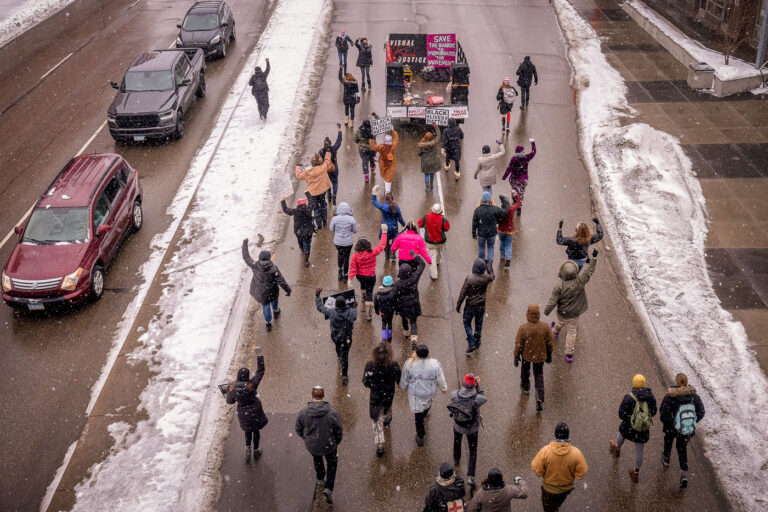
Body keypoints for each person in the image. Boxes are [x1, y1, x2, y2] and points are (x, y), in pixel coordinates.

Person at [543, 250, 598, 363]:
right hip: (575, 313)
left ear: (562, 272)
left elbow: (553, 301)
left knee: (560, 322)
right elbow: (589, 271)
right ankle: (569, 353)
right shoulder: (580, 281)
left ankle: (555, 331)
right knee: (572, 332)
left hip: (562, 312)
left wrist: (546, 311)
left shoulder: (559, 285)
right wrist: (594, 259)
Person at [295, 386, 343, 504]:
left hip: (313, 445)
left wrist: (306, 438)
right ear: (323, 396)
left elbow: (298, 428)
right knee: (332, 463)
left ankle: (320, 477)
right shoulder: (332, 413)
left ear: (312, 397)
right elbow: (339, 431)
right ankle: (329, 487)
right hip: (329, 445)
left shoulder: (303, 413)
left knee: (317, 459)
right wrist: (336, 442)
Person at [659, 373, 705, 489]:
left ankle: (666, 458)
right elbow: (701, 412)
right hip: (686, 429)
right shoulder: (694, 397)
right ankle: (684, 474)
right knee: (682, 449)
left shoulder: (670, 396)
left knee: (668, 442)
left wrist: (671, 423)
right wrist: (692, 422)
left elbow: (663, 414)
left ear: (676, 382)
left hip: (671, 428)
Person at [609, 374, 657, 483]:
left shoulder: (629, 397)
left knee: (621, 433)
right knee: (639, 450)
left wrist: (630, 419)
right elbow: (653, 412)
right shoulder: (651, 397)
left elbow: (621, 414)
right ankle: (635, 472)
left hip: (629, 426)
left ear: (633, 384)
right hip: (642, 429)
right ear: (644, 384)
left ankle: (617, 449)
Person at [531, 423, 588, 512]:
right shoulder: (576, 453)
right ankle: (556, 506)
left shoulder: (545, 451)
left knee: (548, 508)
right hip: (565, 489)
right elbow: (581, 473)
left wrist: (542, 473)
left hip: (548, 489)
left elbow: (536, 468)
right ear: (568, 435)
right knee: (558, 502)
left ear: (555, 434)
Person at [399, 344, 447, 446]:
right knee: (427, 403)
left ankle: (420, 436)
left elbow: (404, 378)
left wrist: (403, 387)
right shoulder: (435, 364)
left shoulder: (409, 364)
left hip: (416, 394)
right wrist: (443, 388)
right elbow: (440, 377)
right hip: (429, 391)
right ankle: (425, 410)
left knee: (418, 415)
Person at [226, 349, 268, 461]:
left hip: (243, 414)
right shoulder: (252, 385)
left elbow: (229, 401)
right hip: (255, 411)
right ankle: (256, 451)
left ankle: (248, 451)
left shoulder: (232, 387)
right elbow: (260, 371)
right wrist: (259, 355)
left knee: (247, 431)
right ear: (247, 376)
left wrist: (229, 394)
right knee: (256, 431)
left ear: (238, 376)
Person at [241, 241, 291, 332]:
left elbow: (246, 257)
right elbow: (281, 281)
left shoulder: (255, 266)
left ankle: (268, 323)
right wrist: (288, 290)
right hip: (272, 291)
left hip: (261, 293)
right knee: (274, 301)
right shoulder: (273, 269)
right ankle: (276, 312)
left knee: (266, 307)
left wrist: (244, 245)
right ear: (269, 259)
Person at [362, 342, 401, 456]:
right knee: (388, 408)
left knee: (376, 419)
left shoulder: (370, 365)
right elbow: (399, 379)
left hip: (375, 397)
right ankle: (387, 418)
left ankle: (380, 444)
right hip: (388, 395)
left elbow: (365, 382)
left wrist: (372, 386)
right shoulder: (393, 365)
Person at [448, 374, 487, 488]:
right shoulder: (477, 399)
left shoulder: (454, 395)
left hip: (458, 425)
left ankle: (456, 459)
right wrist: (478, 385)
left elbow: (458, 392)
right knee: (473, 450)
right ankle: (471, 477)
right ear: (473, 385)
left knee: (457, 441)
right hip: (472, 428)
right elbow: (483, 397)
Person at [514, 304, 554, 411]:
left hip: (527, 356)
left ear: (527, 314)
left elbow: (519, 344)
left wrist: (516, 356)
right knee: (539, 375)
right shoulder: (545, 327)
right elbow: (550, 342)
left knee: (525, 372)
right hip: (540, 357)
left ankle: (525, 387)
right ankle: (539, 397)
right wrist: (549, 354)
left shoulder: (523, 328)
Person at [315, 288, 357, 386]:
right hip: (347, 337)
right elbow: (354, 316)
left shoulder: (331, 312)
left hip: (336, 336)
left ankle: (339, 354)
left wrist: (317, 296)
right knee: (345, 356)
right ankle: (344, 375)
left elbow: (320, 307)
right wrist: (354, 307)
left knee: (338, 346)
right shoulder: (351, 312)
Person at [348, 227, 388, 320]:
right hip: (371, 276)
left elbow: (353, 268)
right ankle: (368, 314)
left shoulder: (355, 256)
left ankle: (363, 295)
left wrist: (350, 279)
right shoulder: (373, 252)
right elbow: (382, 245)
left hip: (360, 276)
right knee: (370, 293)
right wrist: (384, 232)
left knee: (362, 285)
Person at [456, 258, 495, 353]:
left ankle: (471, 342)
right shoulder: (486, 278)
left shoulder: (469, 278)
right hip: (481, 306)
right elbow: (492, 276)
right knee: (479, 323)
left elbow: (463, 293)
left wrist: (459, 304)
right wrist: (489, 265)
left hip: (470, 306)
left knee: (467, 323)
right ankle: (477, 340)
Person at [394, 253, 427, 347]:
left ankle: (406, 334)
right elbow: (422, 264)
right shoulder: (415, 277)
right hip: (414, 304)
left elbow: (394, 295)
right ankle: (414, 338)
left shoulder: (398, 284)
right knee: (413, 322)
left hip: (403, 305)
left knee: (404, 319)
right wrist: (415, 255)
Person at [296, 152, 334, 230]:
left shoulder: (307, 172)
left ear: (312, 163)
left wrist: (298, 167)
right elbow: (327, 160)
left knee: (316, 208)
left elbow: (299, 175)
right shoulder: (323, 168)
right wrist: (328, 152)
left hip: (313, 193)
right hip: (322, 191)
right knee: (323, 204)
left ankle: (319, 224)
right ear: (320, 162)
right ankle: (324, 220)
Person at [501, 139, 536, 215]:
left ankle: (514, 201)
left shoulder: (513, 159)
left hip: (514, 179)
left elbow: (509, 168)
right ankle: (519, 208)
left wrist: (504, 177)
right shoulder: (526, 157)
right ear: (522, 151)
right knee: (521, 193)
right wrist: (532, 143)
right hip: (523, 179)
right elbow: (534, 152)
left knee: (514, 191)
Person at [371, 186, 405, 260]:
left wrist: (374, 192)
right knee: (394, 240)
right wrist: (404, 225)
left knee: (385, 241)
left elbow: (373, 202)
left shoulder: (383, 207)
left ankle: (387, 254)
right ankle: (393, 253)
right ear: (393, 199)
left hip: (385, 227)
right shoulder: (396, 207)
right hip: (394, 227)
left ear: (385, 199)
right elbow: (400, 218)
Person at [418, 203, 450, 280]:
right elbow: (447, 228)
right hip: (440, 241)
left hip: (430, 242)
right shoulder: (443, 219)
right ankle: (438, 261)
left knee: (432, 258)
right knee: (439, 251)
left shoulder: (426, 217)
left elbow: (419, 223)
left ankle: (434, 275)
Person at [281, 196, 315, 267]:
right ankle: (306, 257)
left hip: (298, 232)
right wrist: (307, 194)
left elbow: (285, 209)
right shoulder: (309, 209)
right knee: (307, 244)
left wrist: (283, 201)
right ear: (305, 204)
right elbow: (311, 201)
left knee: (300, 241)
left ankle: (302, 248)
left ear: (298, 204)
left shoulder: (295, 211)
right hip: (308, 231)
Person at [472, 191, 505, 263]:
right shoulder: (494, 209)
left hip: (481, 233)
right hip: (492, 233)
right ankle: (489, 263)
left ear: (481, 199)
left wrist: (474, 233)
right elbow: (503, 213)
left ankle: (481, 263)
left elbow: (474, 223)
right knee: (490, 247)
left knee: (481, 248)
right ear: (490, 199)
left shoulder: (477, 210)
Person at [329, 202, 358, 281]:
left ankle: (339, 270)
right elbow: (355, 231)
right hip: (348, 242)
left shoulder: (335, 218)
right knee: (346, 258)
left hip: (338, 242)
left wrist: (337, 230)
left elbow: (331, 229)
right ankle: (345, 275)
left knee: (340, 254)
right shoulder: (351, 219)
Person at [318, 126, 343, 205]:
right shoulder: (334, 148)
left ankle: (329, 196)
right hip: (334, 168)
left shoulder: (321, 151)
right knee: (335, 182)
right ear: (330, 143)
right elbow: (339, 141)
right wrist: (339, 130)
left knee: (327, 182)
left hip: (326, 169)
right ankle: (334, 195)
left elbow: (318, 161)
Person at [497, 193, 522, 270]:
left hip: (501, 230)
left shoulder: (500, 210)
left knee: (502, 242)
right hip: (509, 230)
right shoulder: (511, 209)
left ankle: (502, 256)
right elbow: (518, 203)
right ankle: (508, 260)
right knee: (508, 245)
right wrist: (516, 195)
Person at [418, 124, 442, 193]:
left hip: (425, 163)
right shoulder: (434, 143)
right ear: (432, 137)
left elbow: (419, 153)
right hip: (433, 162)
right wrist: (436, 127)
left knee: (426, 175)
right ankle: (431, 185)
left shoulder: (421, 145)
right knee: (432, 174)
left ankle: (427, 188)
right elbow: (438, 136)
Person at [374, 275, 396, 342]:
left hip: (382, 311)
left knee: (384, 323)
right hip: (391, 310)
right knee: (389, 322)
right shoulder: (393, 292)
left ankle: (384, 338)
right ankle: (389, 338)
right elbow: (396, 301)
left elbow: (376, 304)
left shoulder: (378, 293)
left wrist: (376, 311)